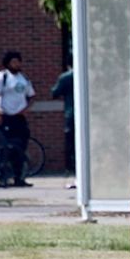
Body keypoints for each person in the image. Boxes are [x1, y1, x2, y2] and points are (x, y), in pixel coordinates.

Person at [0, 51, 36, 187]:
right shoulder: (1, 77)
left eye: (18, 61)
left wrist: (26, 109)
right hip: (5, 117)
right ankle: (3, 176)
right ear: (8, 63)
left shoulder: (24, 79)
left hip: (19, 118)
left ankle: (18, 177)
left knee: (21, 147)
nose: (16, 64)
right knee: (6, 148)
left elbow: (32, 96)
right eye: (14, 62)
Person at [50, 58, 75, 186]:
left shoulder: (65, 77)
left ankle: (72, 170)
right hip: (89, 115)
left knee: (71, 145)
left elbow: (54, 92)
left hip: (71, 114)